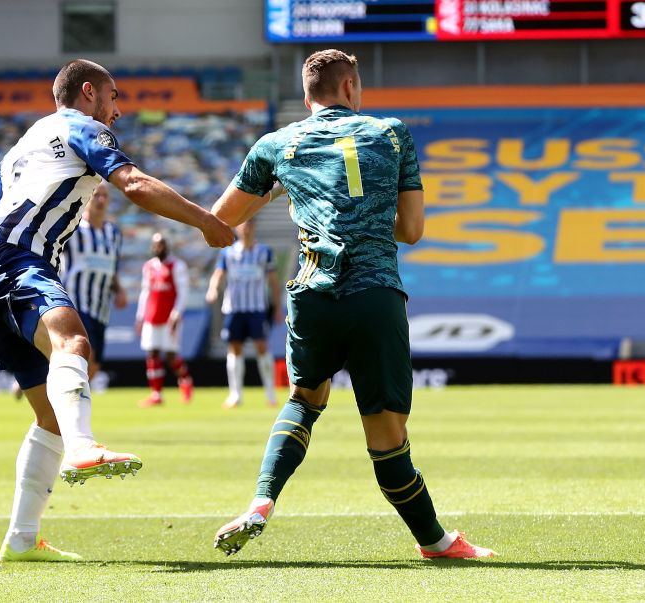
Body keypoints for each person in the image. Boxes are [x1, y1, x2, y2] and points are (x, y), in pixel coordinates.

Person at [0, 59, 232, 563]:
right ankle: (83, 448)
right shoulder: (82, 128)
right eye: (114, 97)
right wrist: (205, 221)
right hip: (22, 261)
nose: (117, 111)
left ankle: (21, 538)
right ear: (88, 93)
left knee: (48, 416)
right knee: (73, 343)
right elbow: (136, 185)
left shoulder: (26, 144)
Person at [209, 49, 494, 559]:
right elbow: (411, 231)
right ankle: (435, 542)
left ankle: (261, 501)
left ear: (306, 97)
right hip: (374, 293)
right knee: (387, 436)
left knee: (303, 401)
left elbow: (219, 222)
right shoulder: (392, 133)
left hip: (313, 294)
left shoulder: (277, 143)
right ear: (349, 88)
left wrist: (280, 191)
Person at [205, 220, 282, 408]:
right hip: (234, 308)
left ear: (253, 228)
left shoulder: (264, 252)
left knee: (262, 347)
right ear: (237, 229)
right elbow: (218, 275)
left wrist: (278, 307)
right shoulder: (228, 252)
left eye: (248, 226)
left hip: (256, 308)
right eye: (242, 226)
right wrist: (213, 289)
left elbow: (273, 282)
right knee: (235, 349)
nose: (245, 230)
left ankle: (270, 394)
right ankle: (235, 395)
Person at [61, 180, 127, 381]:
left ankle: (43, 379)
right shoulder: (73, 229)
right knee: (86, 353)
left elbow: (111, 267)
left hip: (101, 307)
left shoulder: (113, 233)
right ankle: (67, 405)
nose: (101, 200)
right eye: (96, 194)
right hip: (75, 302)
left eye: (105, 196)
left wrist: (119, 290)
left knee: (95, 365)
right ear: (87, 196)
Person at [134, 232, 194, 407]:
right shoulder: (149, 267)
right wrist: (140, 316)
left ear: (167, 246)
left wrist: (176, 313)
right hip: (151, 316)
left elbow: (183, 291)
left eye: (161, 244)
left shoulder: (177, 266)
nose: (158, 247)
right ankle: (156, 394)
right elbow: (145, 292)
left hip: (169, 317)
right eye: (156, 244)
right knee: (152, 353)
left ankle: (185, 381)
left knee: (170, 355)